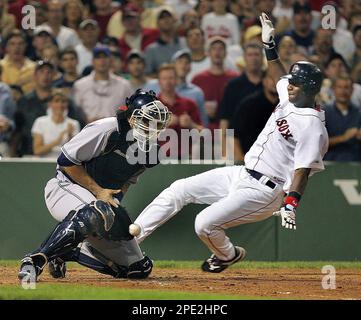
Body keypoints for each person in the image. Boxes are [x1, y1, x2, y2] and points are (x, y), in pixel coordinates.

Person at [132, 13, 328, 273]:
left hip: (266, 190)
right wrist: (269, 46)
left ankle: (228, 254)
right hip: (242, 173)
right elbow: (278, 75)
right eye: (291, 82)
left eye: (295, 83)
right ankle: (131, 242)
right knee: (178, 189)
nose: (288, 85)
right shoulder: (293, 95)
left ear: (309, 88)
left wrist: (291, 203)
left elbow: (302, 170)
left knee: (204, 224)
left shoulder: (312, 127)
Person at [18, 89, 171, 283]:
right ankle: (36, 259)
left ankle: (68, 252)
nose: (153, 127)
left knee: (138, 269)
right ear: (132, 118)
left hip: (100, 202)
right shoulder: (107, 129)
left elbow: (125, 182)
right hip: (65, 187)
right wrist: (99, 193)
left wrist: (114, 206)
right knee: (98, 211)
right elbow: (65, 162)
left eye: (158, 123)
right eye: (148, 121)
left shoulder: (150, 152)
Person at [73, 45, 133, 123]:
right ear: (92, 61)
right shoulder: (80, 85)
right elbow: (76, 112)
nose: (102, 61)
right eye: (98, 57)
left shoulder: (124, 85)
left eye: (105, 57)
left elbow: (131, 110)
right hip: (88, 130)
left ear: (111, 60)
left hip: (115, 131)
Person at [230, 69, 278, 161]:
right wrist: (241, 161)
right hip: (250, 161)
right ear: (264, 81)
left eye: (278, 79)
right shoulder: (249, 104)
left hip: (279, 164)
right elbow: (233, 135)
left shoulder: (288, 106)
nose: (274, 82)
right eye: (271, 78)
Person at [192, 36, 238, 130]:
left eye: (221, 48)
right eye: (214, 49)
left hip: (229, 131)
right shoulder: (198, 79)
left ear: (225, 53)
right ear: (208, 53)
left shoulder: (235, 78)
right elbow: (192, 107)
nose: (217, 52)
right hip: (204, 132)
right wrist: (202, 109)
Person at [31, 89, 80, 158]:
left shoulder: (74, 124)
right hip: (44, 162)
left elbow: (76, 152)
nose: (60, 105)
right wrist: (58, 141)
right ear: (50, 104)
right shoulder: (40, 122)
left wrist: (70, 136)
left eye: (63, 101)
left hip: (65, 165)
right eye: (56, 101)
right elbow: (37, 150)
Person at [324, 74, 361, 162]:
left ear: (352, 90)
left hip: (355, 164)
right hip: (330, 164)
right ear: (333, 89)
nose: (343, 91)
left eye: (346, 87)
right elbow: (317, 144)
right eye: (339, 87)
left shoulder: (359, 113)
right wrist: (343, 138)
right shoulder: (324, 113)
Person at [144, 8, 184, 77]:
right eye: (162, 18)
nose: (166, 20)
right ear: (157, 23)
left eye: (168, 16)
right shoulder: (151, 50)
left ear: (174, 21)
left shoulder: (184, 42)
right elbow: (147, 75)